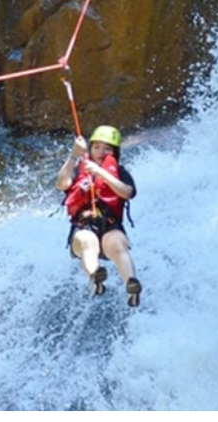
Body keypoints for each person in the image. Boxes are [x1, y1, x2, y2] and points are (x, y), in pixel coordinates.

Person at [56, 125, 142, 307]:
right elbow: (62, 184)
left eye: (107, 148)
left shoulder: (120, 172)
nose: (101, 152)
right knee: (88, 242)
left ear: (115, 152)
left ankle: (131, 283)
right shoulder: (79, 169)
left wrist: (101, 172)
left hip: (110, 226)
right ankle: (96, 276)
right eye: (96, 147)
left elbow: (127, 192)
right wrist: (74, 155)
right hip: (83, 226)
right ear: (90, 148)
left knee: (118, 244)